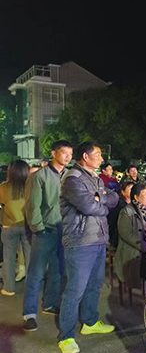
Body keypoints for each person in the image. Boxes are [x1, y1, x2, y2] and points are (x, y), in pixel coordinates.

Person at [58, 142, 118, 353]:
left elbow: (114, 198)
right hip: (80, 242)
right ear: (85, 156)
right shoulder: (72, 179)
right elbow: (87, 206)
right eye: (98, 154)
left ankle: (90, 322)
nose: (102, 158)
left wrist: (100, 199)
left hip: (98, 239)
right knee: (75, 290)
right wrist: (102, 205)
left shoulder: (95, 178)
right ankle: (66, 336)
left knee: (95, 284)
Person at [23, 140, 73, 332]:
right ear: (54, 153)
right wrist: (38, 228)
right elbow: (32, 205)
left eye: (70, 153)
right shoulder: (39, 176)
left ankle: (50, 303)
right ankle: (29, 314)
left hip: (64, 230)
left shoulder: (69, 176)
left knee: (58, 270)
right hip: (45, 231)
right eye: (64, 152)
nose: (68, 157)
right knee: (36, 273)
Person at [114, 182, 146, 292]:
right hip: (136, 251)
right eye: (145, 194)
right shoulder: (127, 212)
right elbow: (127, 234)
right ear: (136, 197)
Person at [0, 160, 31, 296]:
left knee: (9, 258)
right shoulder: (31, 186)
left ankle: (9, 288)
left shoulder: (3, 187)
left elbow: (2, 203)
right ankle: (31, 288)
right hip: (28, 226)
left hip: (9, 226)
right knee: (30, 257)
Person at [107, 179, 135, 248]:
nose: (132, 191)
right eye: (130, 189)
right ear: (123, 192)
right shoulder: (119, 206)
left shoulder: (136, 205)